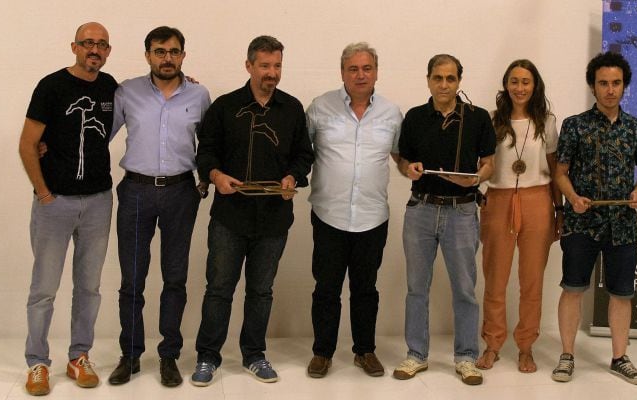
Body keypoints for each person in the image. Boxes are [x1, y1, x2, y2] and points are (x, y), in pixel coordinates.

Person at [190, 35, 314, 386]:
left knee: (261, 291)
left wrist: (293, 176)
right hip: (230, 217)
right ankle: (207, 356)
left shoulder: (291, 108)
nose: (271, 73)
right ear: (249, 66)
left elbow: (303, 154)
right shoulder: (225, 107)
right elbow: (206, 152)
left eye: (277, 66)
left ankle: (254, 354)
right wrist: (215, 175)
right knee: (219, 289)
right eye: (264, 65)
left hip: (273, 219)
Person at [106, 26, 211, 388]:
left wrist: (205, 178)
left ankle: (169, 355)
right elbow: (98, 134)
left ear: (184, 55)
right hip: (136, 191)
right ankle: (131, 354)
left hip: (181, 193)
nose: (167, 58)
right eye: (159, 51)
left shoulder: (198, 94)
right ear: (147, 54)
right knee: (132, 280)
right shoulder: (126, 92)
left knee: (175, 278)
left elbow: (209, 142)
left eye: (174, 51)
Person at [18, 22, 117, 396]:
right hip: (54, 202)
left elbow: (146, 98)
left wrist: (184, 83)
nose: (95, 49)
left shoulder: (110, 87)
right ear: (74, 46)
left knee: (89, 287)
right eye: (88, 43)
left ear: (108, 51)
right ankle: (37, 362)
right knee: (44, 288)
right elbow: (28, 143)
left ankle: (79, 357)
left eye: (102, 45)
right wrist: (44, 193)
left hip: (98, 202)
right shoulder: (51, 86)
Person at [551, 52, 637, 385]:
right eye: (603, 83)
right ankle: (567, 356)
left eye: (616, 83)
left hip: (622, 225)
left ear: (625, 86)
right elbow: (560, 173)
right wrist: (573, 198)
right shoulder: (575, 125)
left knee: (622, 294)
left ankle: (620, 357)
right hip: (582, 223)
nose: (610, 90)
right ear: (593, 86)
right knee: (573, 288)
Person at [393, 54, 495, 385]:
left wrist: (477, 179)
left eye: (450, 78)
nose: (444, 84)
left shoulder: (477, 118)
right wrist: (408, 168)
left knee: (464, 288)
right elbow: (402, 159)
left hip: (463, 211)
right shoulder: (415, 117)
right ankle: (416, 355)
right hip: (421, 209)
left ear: (459, 82)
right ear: (428, 80)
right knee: (416, 287)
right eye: (438, 78)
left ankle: (466, 357)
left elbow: (489, 163)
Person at [305, 42, 403, 378]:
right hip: (328, 215)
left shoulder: (391, 113)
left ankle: (365, 351)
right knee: (326, 288)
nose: (360, 75)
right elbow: (299, 152)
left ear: (376, 70)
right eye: (353, 69)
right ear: (342, 72)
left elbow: (402, 157)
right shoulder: (320, 108)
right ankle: (323, 353)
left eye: (367, 68)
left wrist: (414, 167)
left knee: (366, 289)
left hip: (372, 217)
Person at [476, 59, 561, 373]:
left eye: (526, 81)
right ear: (506, 85)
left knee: (532, 280)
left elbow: (554, 169)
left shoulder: (547, 122)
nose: (520, 87)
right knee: (495, 278)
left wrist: (560, 209)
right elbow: (483, 164)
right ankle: (493, 343)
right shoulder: (492, 120)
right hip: (498, 199)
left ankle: (526, 347)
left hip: (538, 199)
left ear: (534, 85)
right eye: (514, 81)